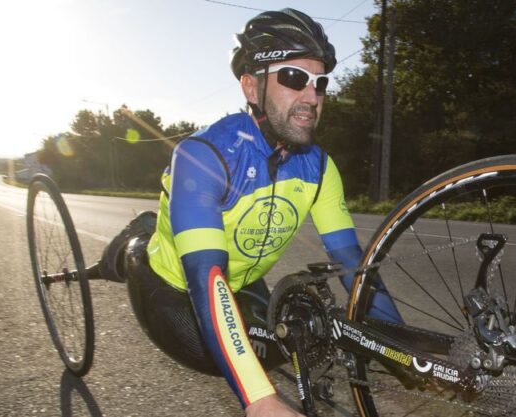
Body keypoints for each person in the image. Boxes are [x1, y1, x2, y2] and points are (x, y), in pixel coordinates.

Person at [99, 8, 403, 417]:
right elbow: (208, 280)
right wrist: (261, 401)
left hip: (245, 283)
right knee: (227, 356)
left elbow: (352, 265)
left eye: (320, 83)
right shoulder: (204, 156)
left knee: (299, 339)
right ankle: (134, 240)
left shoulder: (320, 167)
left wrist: (405, 356)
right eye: (294, 78)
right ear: (250, 85)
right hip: (175, 289)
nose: (311, 97)